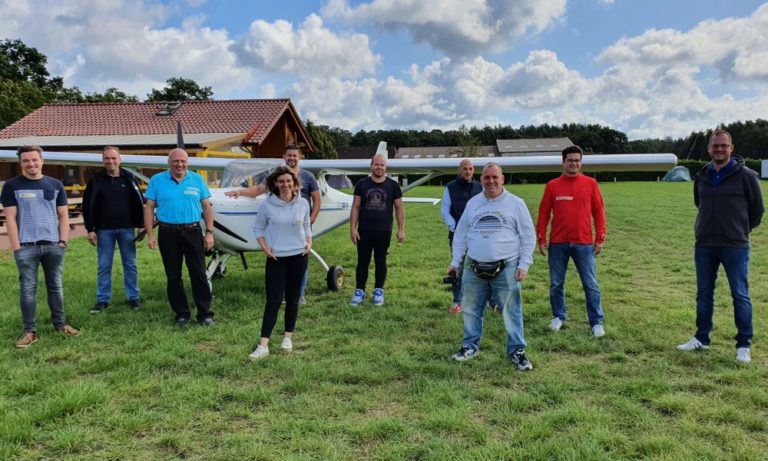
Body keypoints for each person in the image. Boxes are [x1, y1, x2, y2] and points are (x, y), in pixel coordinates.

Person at [677, 129, 763, 363]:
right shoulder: (702, 176)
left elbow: (757, 211)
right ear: (709, 149)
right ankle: (701, 338)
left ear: (731, 148)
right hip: (705, 244)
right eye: (715, 146)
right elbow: (699, 203)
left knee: (740, 295)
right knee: (704, 294)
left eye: (724, 146)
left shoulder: (746, 176)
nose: (719, 149)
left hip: (735, 246)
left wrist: (740, 231)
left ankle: (744, 344)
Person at [448, 163, 535, 370]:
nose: (491, 181)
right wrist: (456, 262)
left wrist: (524, 264)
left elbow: (528, 236)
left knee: (511, 310)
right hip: (474, 265)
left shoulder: (516, 203)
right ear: (481, 180)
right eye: (486, 177)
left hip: (506, 266)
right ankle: (469, 346)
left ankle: (517, 350)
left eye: (495, 177)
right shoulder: (473, 204)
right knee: (470, 309)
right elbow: (461, 235)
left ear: (502, 179)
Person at [1, 145, 79, 348]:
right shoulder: (12, 185)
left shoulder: (55, 185)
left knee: (56, 286)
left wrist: (62, 241)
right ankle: (29, 332)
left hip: (53, 245)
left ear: (41, 161)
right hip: (26, 246)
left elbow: (63, 215)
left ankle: (60, 325)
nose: (31, 164)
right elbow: (10, 218)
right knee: (28, 289)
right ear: (21, 164)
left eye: (34, 159)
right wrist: (16, 247)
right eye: (26, 161)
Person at [226, 144, 320, 304]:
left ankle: (299, 293)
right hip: (280, 222)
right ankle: (283, 293)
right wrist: (239, 192)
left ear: (299, 157)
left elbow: (316, 199)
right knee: (281, 257)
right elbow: (258, 190)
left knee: (302, 256)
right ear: (284, 156)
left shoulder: (309, 177)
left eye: (295, 155)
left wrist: (311, 219)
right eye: (289, 155)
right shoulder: (277, 175)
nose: (292, 158)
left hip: (299, 222)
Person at [536, 145, 607, 337]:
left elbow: (598, 211)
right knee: (556, 283)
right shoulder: (552, 185)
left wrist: (600, 236)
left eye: (577, 160)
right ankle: (558, 316)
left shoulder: (591, 183)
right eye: (570, 160)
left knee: (590, 284)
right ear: (563, 162)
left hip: (584, 243)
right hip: (558, 243)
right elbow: (543, 212)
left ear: (581, 162)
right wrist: (541, 237)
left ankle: (596, 321)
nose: (573, 163)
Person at [143, 148, 215, 328]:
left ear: (187, 163)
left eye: (183, 161)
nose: (179, 164)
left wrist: (209, 232)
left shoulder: (197, 179)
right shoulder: (157, 181)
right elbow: (149, 207)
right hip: (168, 233)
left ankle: (205, 313)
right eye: (175, 161)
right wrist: (150, 234)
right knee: (173, 275)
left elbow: (206, 207)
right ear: (169, 162)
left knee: (198, 273)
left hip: (192, 231)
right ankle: (182, 314)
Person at [247, 166, 312, 360]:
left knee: (293, 298)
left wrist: (309, 242)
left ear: (294, 184)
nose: (285, 185)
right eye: (281, 181)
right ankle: (264, 345)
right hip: (276, 258)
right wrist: (264, 247)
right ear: (275, 183)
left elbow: (307, 224)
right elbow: (258, 228)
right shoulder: (267, 205)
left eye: (289, 181)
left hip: (299, 256)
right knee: (273, 300)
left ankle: (287, 337)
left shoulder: (303, 203)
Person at [82, 146, 145, 313]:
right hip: (103, 230)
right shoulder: (96, 180)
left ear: (120, 159)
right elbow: (87, 206)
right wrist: (90, 229)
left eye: (113, 158)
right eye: (107, 158)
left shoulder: (129, 177)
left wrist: (141, 225)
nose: (110, 161)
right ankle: (102, 299)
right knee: (104, 265)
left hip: (127, 229)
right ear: (103, 161)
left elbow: (138, 202)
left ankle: (133, 297)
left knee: (130, 264)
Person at [349, 154, 405, 306]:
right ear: (371, 166)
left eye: (382, 165)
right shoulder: (362, 184)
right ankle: (359, 291)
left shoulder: (393, 185)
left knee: (381, 261)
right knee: (363, 262)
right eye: (376, 164)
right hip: (364, 231)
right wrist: (353, 229)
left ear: (385, 167)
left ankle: (378, 291)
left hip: (384, 231)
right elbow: (356, 207)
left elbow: (399, 208)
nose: (379, 167)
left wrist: (401, 229)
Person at [441, 159, 483, 315]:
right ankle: (458, 301)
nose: (468, 171)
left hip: (479, 235)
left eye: (471, 169)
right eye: (465, 169)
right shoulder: (450, 187)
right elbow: (445, 211)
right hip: (457, 236)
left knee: (482, 267)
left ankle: (484, 300)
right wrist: (456, 228)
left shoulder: (480, 186)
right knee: (457, 268)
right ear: (460, 170)